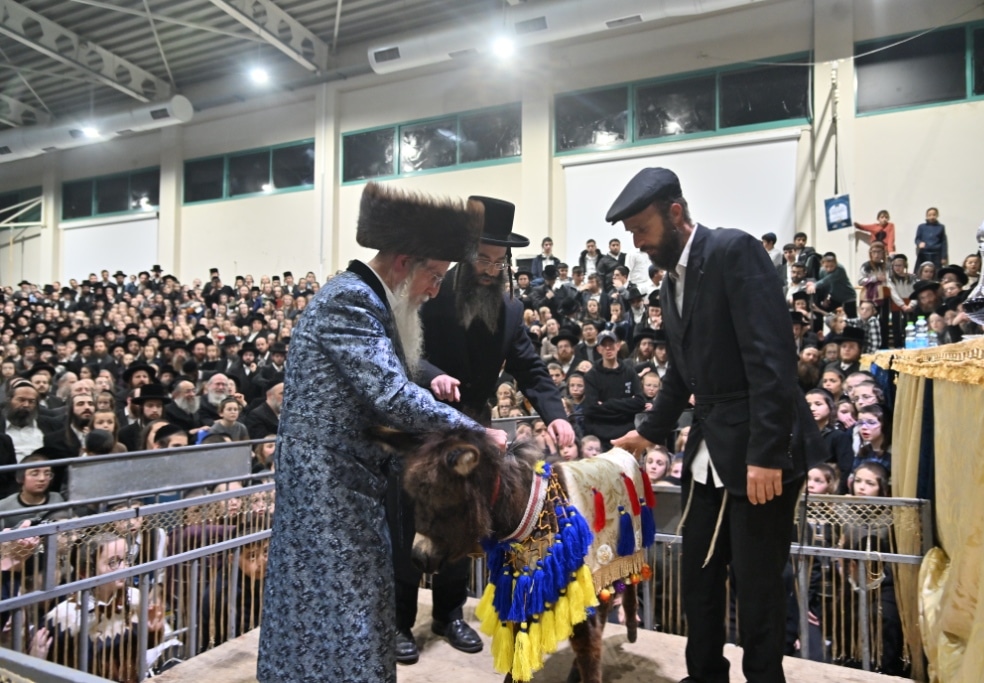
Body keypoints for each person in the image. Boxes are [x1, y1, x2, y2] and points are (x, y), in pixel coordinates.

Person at [257, 182, 506, 683]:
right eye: (434, 276)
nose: (435, 290)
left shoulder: (365, 300)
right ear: (404, 263)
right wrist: (474, 432)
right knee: (339, 606)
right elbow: (392, 395)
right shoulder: (350, 300)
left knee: (350, 601)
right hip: (325, 487)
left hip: (345, 483)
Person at [606, 167, 824, 683]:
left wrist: (767, 454)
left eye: (642, 229)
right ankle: (704, 675)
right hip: (709, 453)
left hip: (757, 454)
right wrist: (649, 432)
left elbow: (773, 360)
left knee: (757, 587)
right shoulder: (669, 286)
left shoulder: (733, 251)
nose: (637, 244)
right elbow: (682, 375)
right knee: (698, 580)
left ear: (675, 213)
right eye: (631, 234)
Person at [393, 195, 575, 665]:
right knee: (411, 521)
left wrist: (555, 413)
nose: (491, 270)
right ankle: (399, 620)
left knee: (467, 519)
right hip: (423, 423)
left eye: (499, 262)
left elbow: (530, 369)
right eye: (483, 259)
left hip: (476, 427)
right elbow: (401, 351)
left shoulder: (510, 310)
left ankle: (450, 614)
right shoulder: (430, 292)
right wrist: (432, 375)